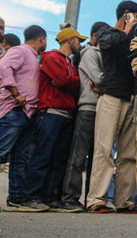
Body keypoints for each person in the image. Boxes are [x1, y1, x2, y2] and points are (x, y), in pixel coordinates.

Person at [86, 1, 137, 214]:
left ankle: (124, 200)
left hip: (131, 98)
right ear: (127, 15)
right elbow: (107, 44)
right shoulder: (106, 32)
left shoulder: (135, 38)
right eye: (136, 17)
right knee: (104, 149)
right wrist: (127, 30)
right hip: (110, 96)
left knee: (128, 154)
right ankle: (96, 200)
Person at [19, 28, 85, 212]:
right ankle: (30, 197)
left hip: (65, 114)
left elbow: (68, 83)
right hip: (50, 113)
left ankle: (49, 197)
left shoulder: (69, 62)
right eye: (78, 39)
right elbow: (64, 81)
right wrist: (74, 81)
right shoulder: (52, 58)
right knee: (43, 156)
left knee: (59, 158)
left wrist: (70, 81)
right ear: (69, 39)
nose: (80, 43)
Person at [59, 21, 109, 212]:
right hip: (87, 108)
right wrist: (111, 84)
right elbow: (100, 79)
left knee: (97, 157)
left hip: (101, 109)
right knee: (79, 155)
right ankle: (69, 198)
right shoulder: (89, 53)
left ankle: (91, 198)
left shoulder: (103, 55)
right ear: (96, 37)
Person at [0, 25, 47, 211]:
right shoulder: (21, 50)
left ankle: (16, 198)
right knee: (1, 151)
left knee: (20, 158)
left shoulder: (32, 56)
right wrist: (16, 93)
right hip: (14, 109)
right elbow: (3, 66)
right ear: (42, 39)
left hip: (27, 112)